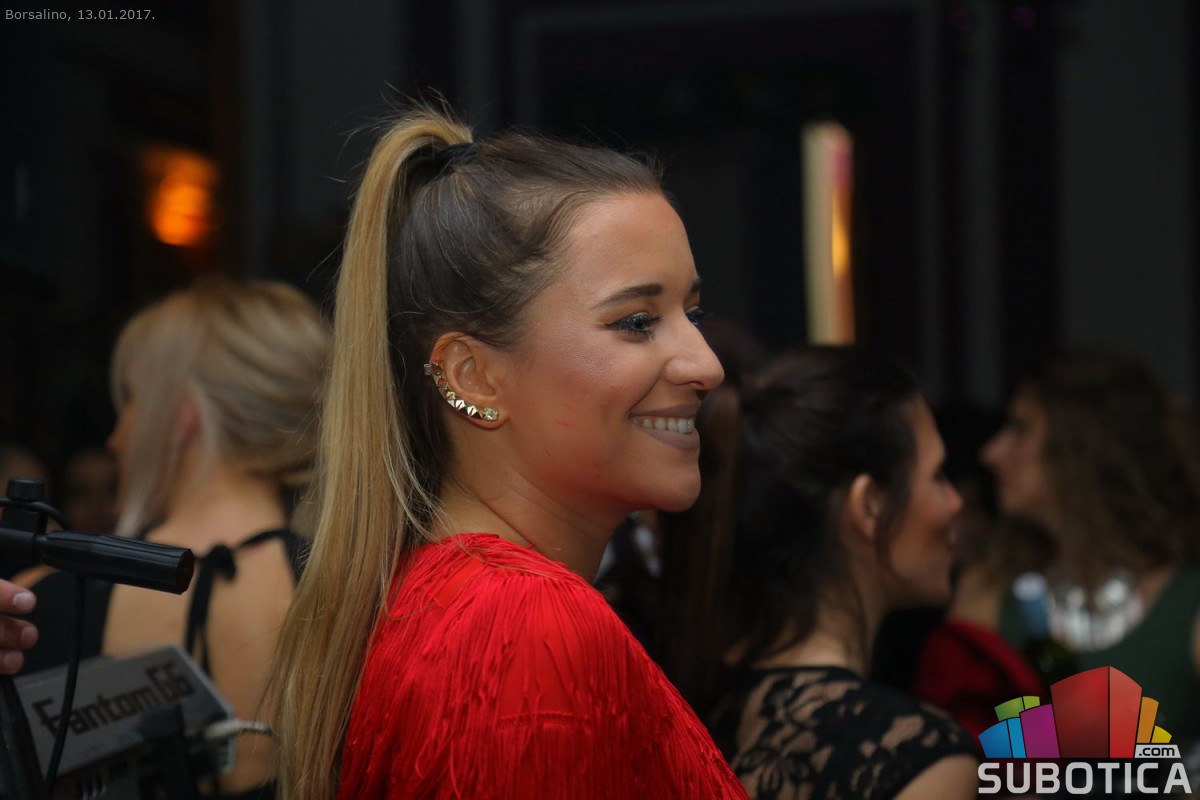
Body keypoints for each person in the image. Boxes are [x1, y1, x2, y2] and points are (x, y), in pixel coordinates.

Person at [268, 106, 746, 799]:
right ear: (474, 378)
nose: (705, 365)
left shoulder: (451, 597)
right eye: (637, 321)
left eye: (690, 313)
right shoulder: (524, 625)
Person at [19, 278, 330, 798]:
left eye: (132, 401)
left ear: (181, 414)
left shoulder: (31, 608)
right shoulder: (361, 593)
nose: (115, 439)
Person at [656, 347, 979, 800]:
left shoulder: (685, 717)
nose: (956, 503)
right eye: (938, 476)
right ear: (870, 506)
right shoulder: (915, 759)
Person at [921, 349, 1200, 741]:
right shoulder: (986, 595)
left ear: (1082, 445)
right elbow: (951, 752)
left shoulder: (1187, 604)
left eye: (1020, 428)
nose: (991, 453)